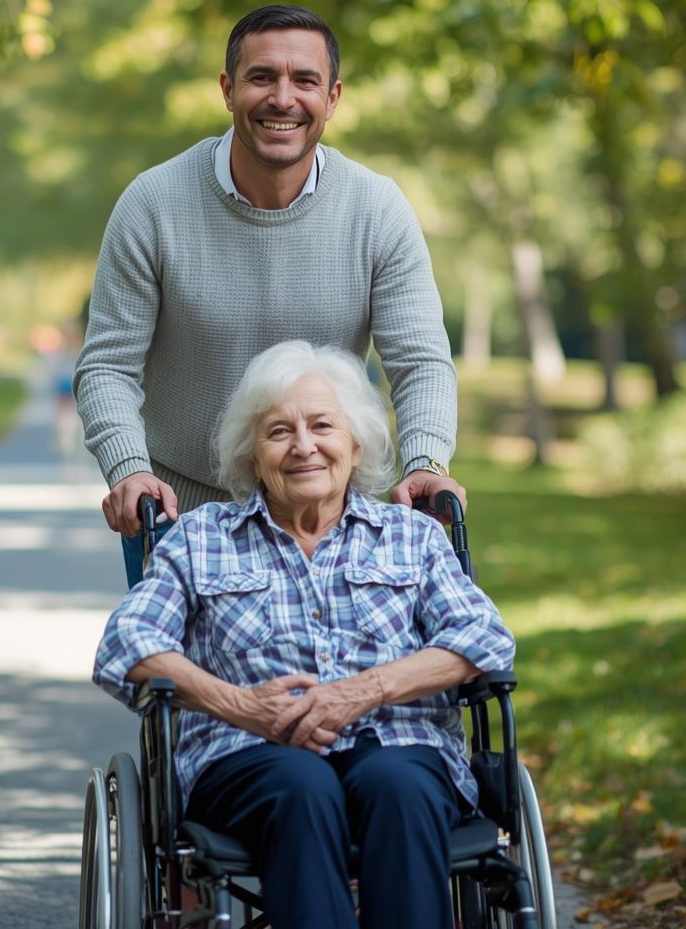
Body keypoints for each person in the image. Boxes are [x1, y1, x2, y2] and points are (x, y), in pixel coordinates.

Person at [95, 342, 514, 929]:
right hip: (247, 756)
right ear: (251, 453)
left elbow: (485, 638)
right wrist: (242, 707)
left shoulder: (411, 538)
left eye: (323, 425)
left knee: (397, 785)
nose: (304, 446)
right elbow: (127, 645)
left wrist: (366, 690)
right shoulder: (201, 538)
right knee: (301, 784)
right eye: (278, 431)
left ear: (355, 443)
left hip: (399, 746)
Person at [74, 3, 464, 585]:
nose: (283, 98)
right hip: (185, 514)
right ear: (228, 90)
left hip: (326, 512)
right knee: (190, 678)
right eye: (262, 78)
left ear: (332, 98)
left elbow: (421, 360)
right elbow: (107, 365)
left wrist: (427, 462)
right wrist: (128, 469)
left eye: (304, 80)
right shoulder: (152, 205)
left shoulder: (377, 210)